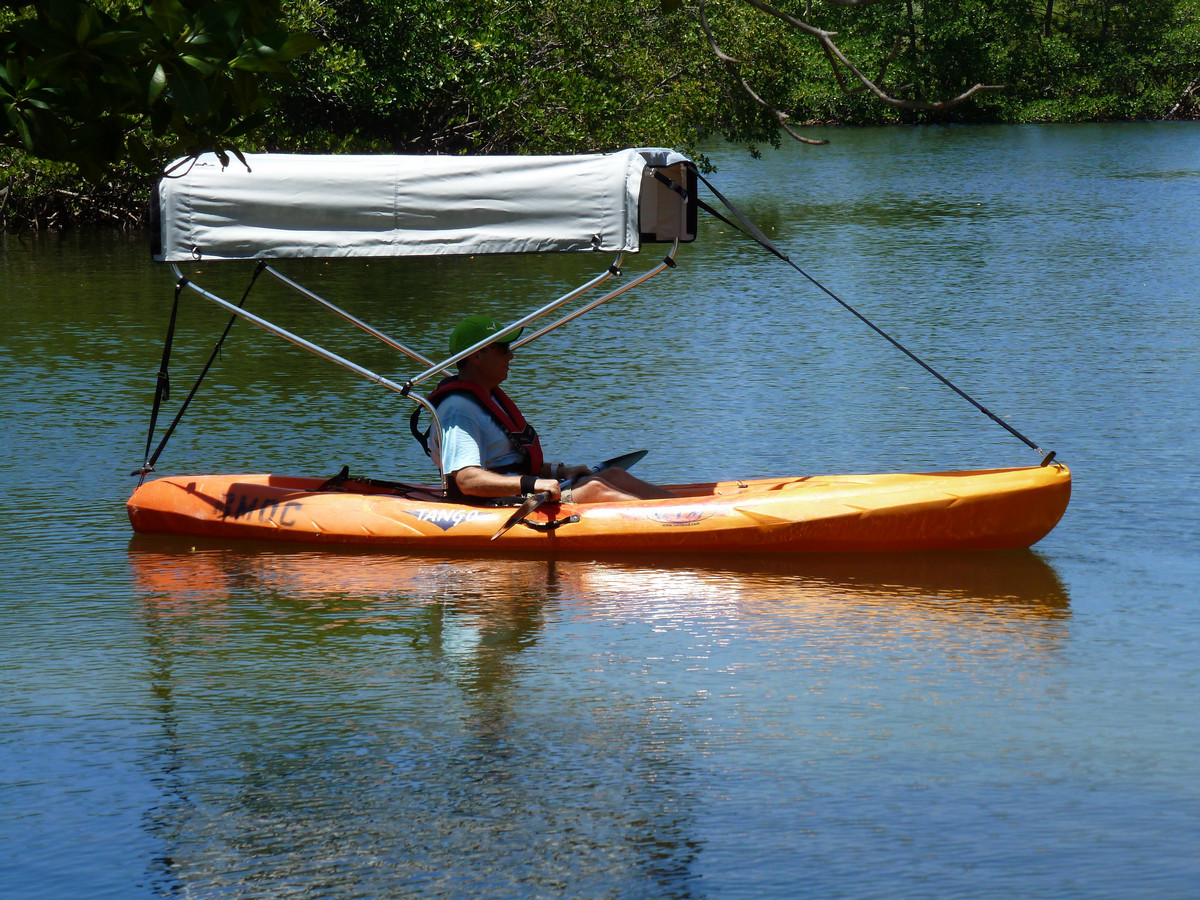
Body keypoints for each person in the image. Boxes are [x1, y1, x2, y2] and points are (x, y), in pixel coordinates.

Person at [430, 315, 674, 504]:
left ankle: (689, 508)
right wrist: (532, 485)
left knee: (615, 476)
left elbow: (507, 462)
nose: (511, 356)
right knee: (594, 489)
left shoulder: (489, 397)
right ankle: (682, 523)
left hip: (521, 491)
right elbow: (466, 480)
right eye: (503, 349)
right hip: (494, 503)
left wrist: (559, 471)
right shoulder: (459, 410)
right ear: (476, 356)